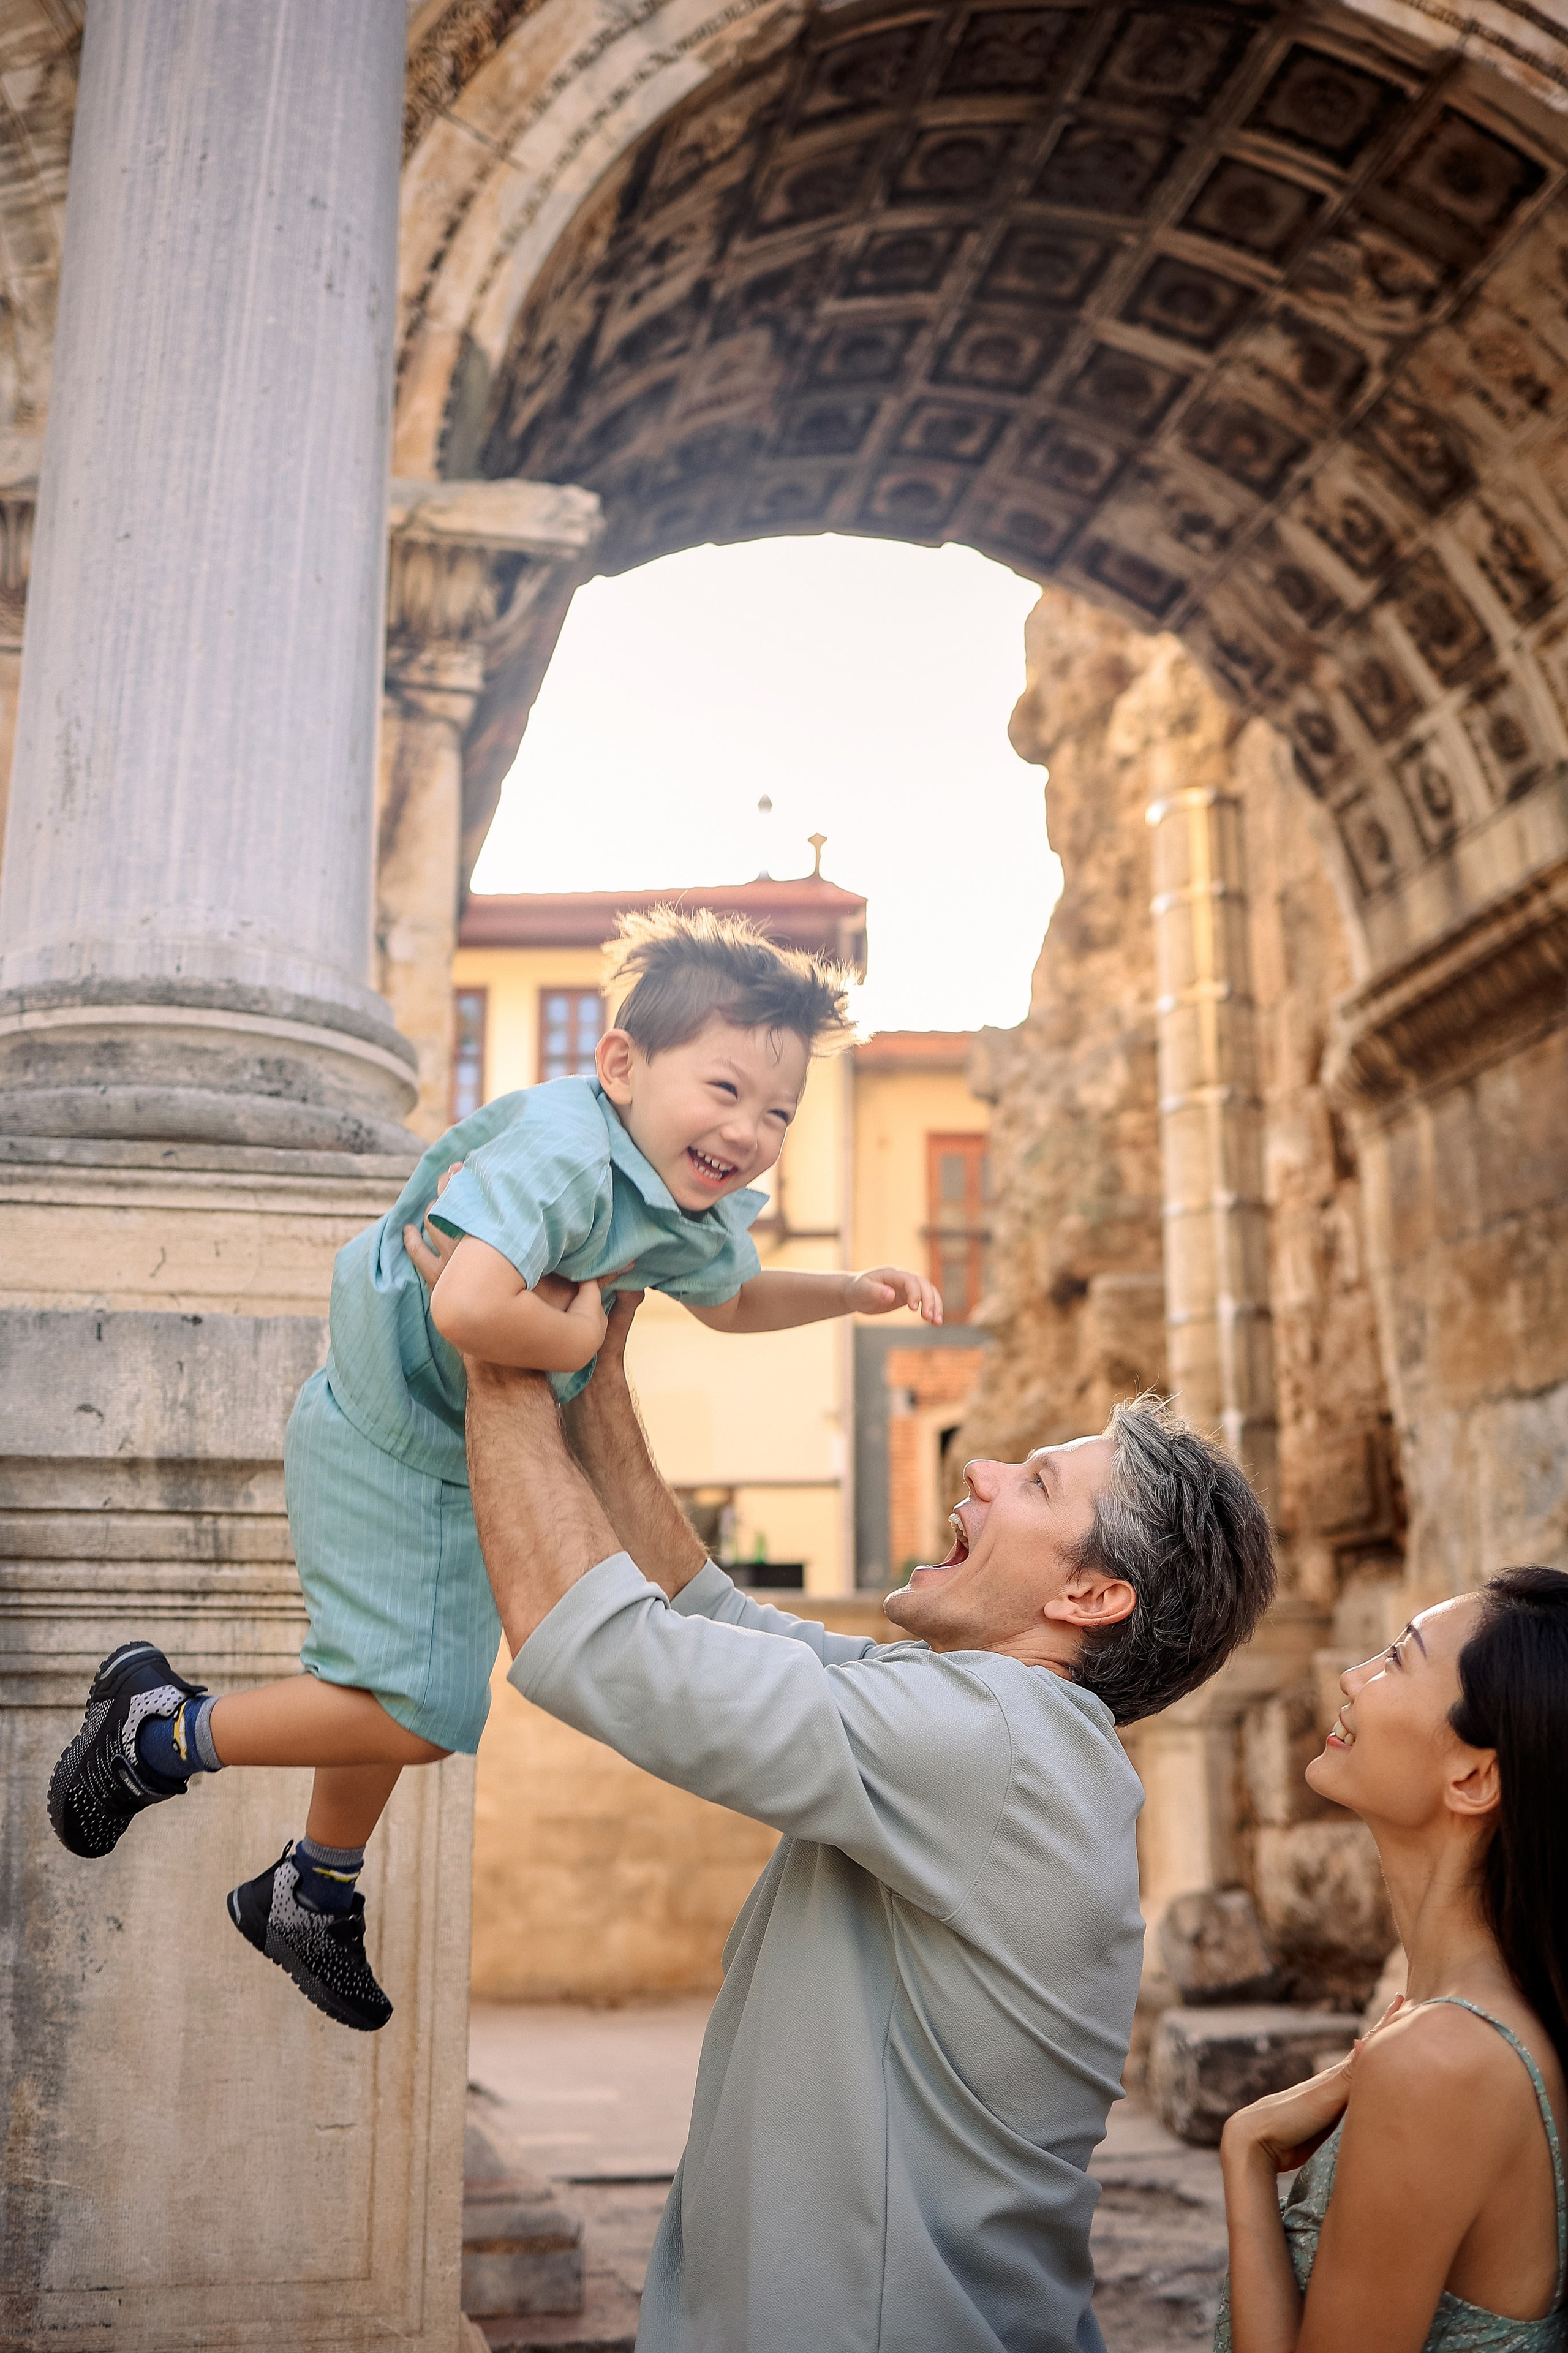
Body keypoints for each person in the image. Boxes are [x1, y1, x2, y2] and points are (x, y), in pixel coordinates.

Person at [45, 909, 938, 2031]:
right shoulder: (566, 1153)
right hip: (386, 1430)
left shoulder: (672, 1191)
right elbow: (468, 1304)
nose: (750, 1131)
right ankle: (158, 1731)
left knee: (397, 1682)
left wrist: (849, 1292)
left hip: (450, 1452)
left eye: (778, 1112)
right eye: (723, 1090)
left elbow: (731, 1299)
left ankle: (312, 1888)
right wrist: (577, 1337)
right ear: (621, 1063)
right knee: (417, 1713)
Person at [458, 1288, 1276, 2353]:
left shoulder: (987, 1736)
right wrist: (599, 1366)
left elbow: (600, 1651)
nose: (976, 1472)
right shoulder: (998, 1719)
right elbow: (710, 1617)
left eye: (1034, 1484)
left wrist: (490, 1341)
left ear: (1087, 1596)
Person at [1215, 1567, 1568, 2352]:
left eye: (1397, 1657)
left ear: (1474, 1776)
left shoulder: (1442, 2057)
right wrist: (1247, 2141)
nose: (1351, 1676)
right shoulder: (1453, 2029)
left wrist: (1246, 2157)